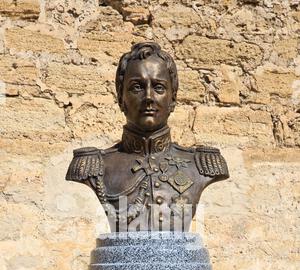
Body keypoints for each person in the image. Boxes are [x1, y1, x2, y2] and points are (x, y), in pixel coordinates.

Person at [66, 42, 229, 231]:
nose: (149, 97)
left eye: (159, 87)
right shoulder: (93, 167)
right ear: (120, 97)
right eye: (137, 87)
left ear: (173, 98)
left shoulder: (203, 166)